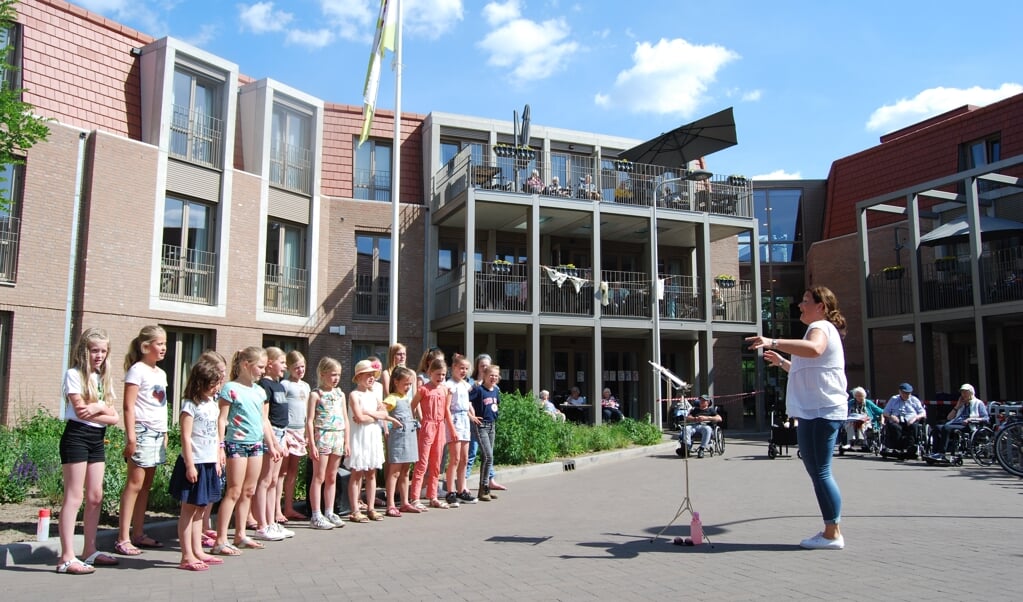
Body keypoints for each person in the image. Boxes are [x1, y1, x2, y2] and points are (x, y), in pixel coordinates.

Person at [747, 286, 848, 550]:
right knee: (818, 472)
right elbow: (810, 367)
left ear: (821, 307)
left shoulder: (821, 328)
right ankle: (830, 530)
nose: (800, 306)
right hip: (814, 411)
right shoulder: (819, 329)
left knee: (821, 472)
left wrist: (773, 341)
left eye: (805, 302)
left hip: (821, 411)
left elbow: (814, 350)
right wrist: (782, 362)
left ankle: (832, 533)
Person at [56, 328, 120, 574]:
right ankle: (66, 557)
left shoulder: (102, 378)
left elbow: (114, 419)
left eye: (103, 351)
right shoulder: (74, 375)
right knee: (74, 496)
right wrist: (102, 408)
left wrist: (99, 407)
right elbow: (81, 411)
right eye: (95, 350)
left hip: (97, 437)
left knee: (95, 495)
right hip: (77, 436)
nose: (99, 355)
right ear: (85, 351)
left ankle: (89, 550)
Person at [212, 347, 281, 555]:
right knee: (234, 490)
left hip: (256, 444)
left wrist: (273, 443)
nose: (262, 371)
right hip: (236, 444)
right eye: (259, 367)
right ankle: (220, 539)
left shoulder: (259, 391)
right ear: (245, 365)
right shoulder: (230, 388)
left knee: (249, 491)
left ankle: (240, 534)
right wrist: (220, 446)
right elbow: (222, 419)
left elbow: (263, 420)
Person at [168, 355, 227, 572]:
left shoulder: (212, 403)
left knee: (201, 510)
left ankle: (197, 550)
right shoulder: (189, 405)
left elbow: (214, 434)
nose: (215, 389)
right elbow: (185, 437)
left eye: (217, 384)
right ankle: (186, 555)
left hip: (209, 462)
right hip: (194, 463)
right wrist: (190, 465)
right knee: (189, 510)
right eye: (212, 385)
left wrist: (217, 457)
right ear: (199, 383)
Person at [115, 325, 169, 556]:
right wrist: (131, 437)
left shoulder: (161, 373)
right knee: (134, 485)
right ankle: (122, 538)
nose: (164, 348)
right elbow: (128, 406)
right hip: (143, 431)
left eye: (165, 344)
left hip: (158, 433)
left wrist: (166, 433)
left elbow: (162, 405)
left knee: (146, 486)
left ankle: (138, 533)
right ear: (145, 346)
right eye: (159, 344)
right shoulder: (137, 370)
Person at [346, 359, 396, 522]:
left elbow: (384, 414)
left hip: (372, 436)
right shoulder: (354, 395)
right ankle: (355, 510)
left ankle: (371, 508)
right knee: (357, 474)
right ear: (359, 376)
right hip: (360, 437)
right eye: (367, 375)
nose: (371, 378)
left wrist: (370, 413)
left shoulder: (374, 395)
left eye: (373, 375)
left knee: (371, 473)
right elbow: (358, 418)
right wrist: (373, 415)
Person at [252, 347, 292, 541]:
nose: (285, 366)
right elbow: (264, 417)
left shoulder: (279, 385)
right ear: (270, 364)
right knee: (265, 480)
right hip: (271, 433)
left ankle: (271, 522)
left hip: (281, 433)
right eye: (282, 362)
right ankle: (262, 525)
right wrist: (274, 442)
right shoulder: (264, 386)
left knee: (274, 480)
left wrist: (286, 437)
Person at [305, 357, 349, 530]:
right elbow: (309, 420)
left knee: (332, 476)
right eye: (332, 374)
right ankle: (316, 514)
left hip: (337, 437)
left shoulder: (340, 394)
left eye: (338, 374)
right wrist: (312, 444)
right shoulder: (316, 394)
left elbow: (345, 418)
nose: (336, 378)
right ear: (323, 374)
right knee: (319, 476)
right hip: (322, 436)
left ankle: (330, 511)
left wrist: (347, 441)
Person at [410, 358, 457, 509]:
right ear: (430, 373)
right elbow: (412, 405)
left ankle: (433, 496)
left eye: (443, 374)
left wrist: (452, 429)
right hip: (427, 426)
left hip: (440, 427)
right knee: (422, 463)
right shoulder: (423, 389)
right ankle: (415, 497)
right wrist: (415, 422)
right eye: (438, 374)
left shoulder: (444, 389)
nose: (441, 377)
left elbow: (446, 411)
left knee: (436, 463)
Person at [383, 366, 419, 516]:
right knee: (394, 472)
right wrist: (388, 423)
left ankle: (405, 502)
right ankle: (390, 504)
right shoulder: (392, 397)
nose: (408, 387)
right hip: (398, 437)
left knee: (405, 471)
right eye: (405, 384)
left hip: (409, 436)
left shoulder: (406, 397)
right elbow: (382, 409)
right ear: (396, 382)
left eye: (410, 384)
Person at [444, 355, 477, 506]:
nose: (463, 371)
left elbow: (467, 404)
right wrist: (451, 428)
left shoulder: (465, 384)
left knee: (464, 458)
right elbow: (447, 407)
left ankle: (461, 489)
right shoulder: (450, 385)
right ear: (453, 368)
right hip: (455, 420)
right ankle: (450, 491)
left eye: (466, 368)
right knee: (455, 458)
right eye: (461, 368)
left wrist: (471, 416)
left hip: (464, 420)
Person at [280, 350, 310, 521]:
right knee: (281, 472)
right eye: (296, 367)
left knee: (293, 472)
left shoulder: (305, 386)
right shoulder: (285, 385)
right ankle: (278, 508)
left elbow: (306, 411)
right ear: (289, 368)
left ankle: (289, 507)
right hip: (287, 430)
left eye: (302, 366)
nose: (300, 370)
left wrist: (306, 432)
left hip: (299, 431)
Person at [929, 384, 989, 461]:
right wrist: (957, 406)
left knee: (946, 427)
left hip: (969, 425)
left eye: (965, 392)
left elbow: (986, 418)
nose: (963, 394)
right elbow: (949, 418)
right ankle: (935, 452)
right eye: (962, 392)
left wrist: (970, 419)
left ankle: (942, 453)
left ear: (971, 392)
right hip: (956, 423)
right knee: (937, 427)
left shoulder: (978, 403)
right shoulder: (962, 404)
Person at [469, 364, 501, 501]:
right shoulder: (479, 390)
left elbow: (496, 404)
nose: (493, 378)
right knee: (488, 456)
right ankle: (483, 489)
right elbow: (467, 400)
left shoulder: (495, 391)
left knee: (488, 457)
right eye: (491, 375)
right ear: (485, 376)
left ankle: (485, 487)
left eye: (495, 375)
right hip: (481, 425)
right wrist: (472, 416)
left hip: (491, 425)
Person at [882, 382, 927, 457]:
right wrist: (891, 416)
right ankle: (897, 448)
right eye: (904, 393)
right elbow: (885, 412)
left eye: (908, 393)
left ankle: (911, 447)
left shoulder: (914, 400)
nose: (907, 395)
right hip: (897, 420)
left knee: (914, 427)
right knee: (894, 427)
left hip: (911, 420)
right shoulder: (894, 399)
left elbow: (923, 413)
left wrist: (915, 418)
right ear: (899, 392)